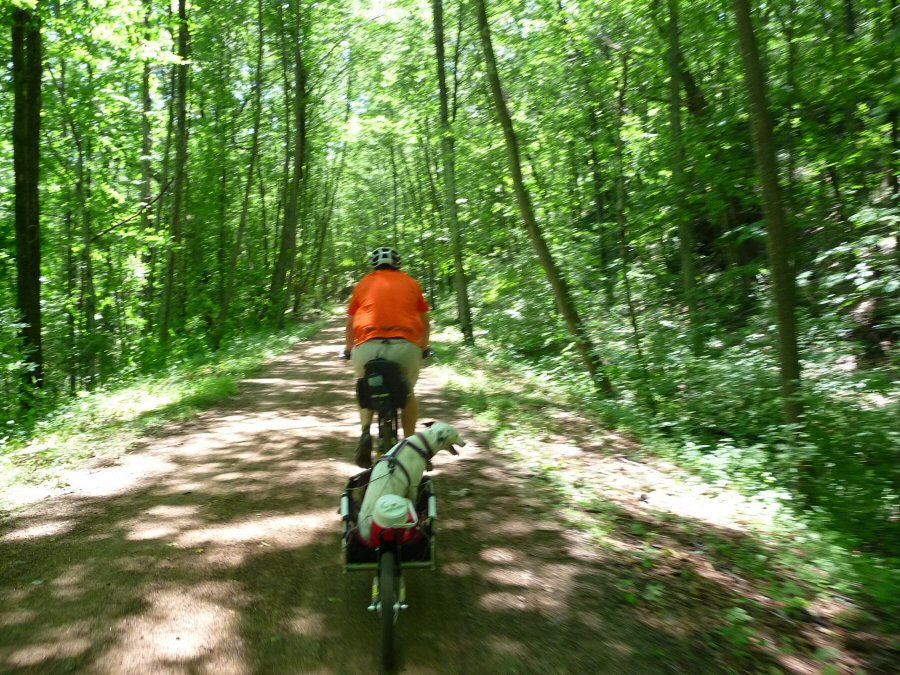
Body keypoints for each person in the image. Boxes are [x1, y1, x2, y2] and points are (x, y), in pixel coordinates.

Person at [343, 246, 430, 468]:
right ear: (398, 264)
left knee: (366, 385)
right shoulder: (412, 283)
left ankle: (365, 433)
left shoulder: (362, 284)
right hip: (405, 346)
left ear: (374, 265)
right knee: (407, 391)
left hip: (367, 347)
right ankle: (411, 446)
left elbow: (350, 323)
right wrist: (423, 347)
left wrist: (348, 348)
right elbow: (425, 321)